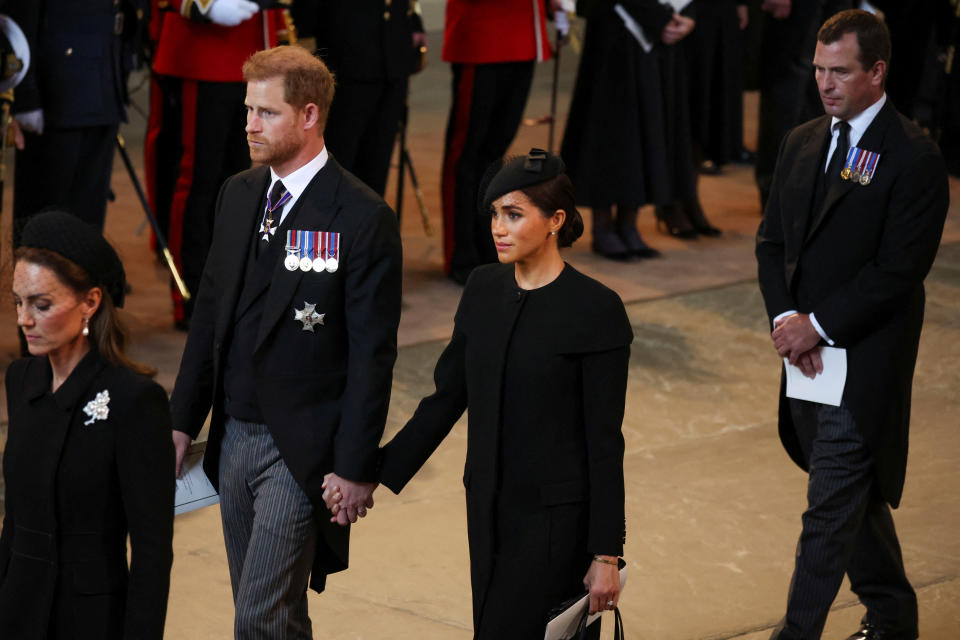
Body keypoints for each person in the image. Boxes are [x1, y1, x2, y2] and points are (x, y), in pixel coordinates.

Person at [327, 149, 631, 638]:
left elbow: (604, 443)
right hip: (487, 513)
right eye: (494, 213)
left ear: (555, 220)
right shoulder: (483, 288)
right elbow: (446, 398)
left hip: (555, 527)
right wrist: (371, 472)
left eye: (513, 214)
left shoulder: (596, 309)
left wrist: (606, 555)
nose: (498, 227)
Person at [168, 45, 402, 637]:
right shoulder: (239, 194)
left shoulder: (361, 215)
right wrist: (180, 423)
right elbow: (210, 318)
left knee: (260, 615)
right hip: (231, 437)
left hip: (301, 450)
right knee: (276, 611)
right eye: (248, 109)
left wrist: (354, 466)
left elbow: (372, 356)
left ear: (308, 116)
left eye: (266, 113)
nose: (248, 124)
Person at [756, 10, 949, 640]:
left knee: (828, 509)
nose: (825, 83)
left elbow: (898, 271)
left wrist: (820, 324)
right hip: (804, 360)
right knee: (851, 499)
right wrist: (788, 320)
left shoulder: (914, 156)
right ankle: (893, 617)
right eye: (818, 68)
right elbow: (771, 244)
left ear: (877, 72)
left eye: (840, 71)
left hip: (863, 361)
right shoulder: (802, 140)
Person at [1, 211, 175, 639]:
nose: (25, 319)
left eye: (42, 305)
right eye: (18, 302)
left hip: (90, 623)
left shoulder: (135, 402)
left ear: (91, 302)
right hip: (16, 614)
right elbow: (14, 524)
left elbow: (152, 553)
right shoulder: (21, 380)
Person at [146, 0, 292, 329]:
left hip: (254, 52)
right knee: (198, 181)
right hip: (203, 51)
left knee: (241, 185)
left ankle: (231, 287)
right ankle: (192, 292)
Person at [561, 0, 719, 260]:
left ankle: (628, 222)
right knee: (612, 131)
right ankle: (602, 226)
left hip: (660, 37)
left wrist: (689, 16)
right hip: (616, 32)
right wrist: (660, 18)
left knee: (649, 127)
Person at [5, 0, 147, 245]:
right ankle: (38, 282)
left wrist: (124, 62)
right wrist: (25, 95)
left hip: (105, 81)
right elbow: (20, 15)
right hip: (56, 93)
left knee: (89, 216)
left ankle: (82, 280)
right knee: (45, 219)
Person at [440, 0, 556, 284]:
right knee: (466, 154)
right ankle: (461, 252)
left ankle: (488, 242)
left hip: (522, 37)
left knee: (494, 155)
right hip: (483, 35)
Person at [293, 0, 427, 196]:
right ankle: (334, 225)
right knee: (338, 164)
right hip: (345, 60)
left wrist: (414, 22)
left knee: (377, 165)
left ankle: (369, 225)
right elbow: (305, 15)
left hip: (393, 56)